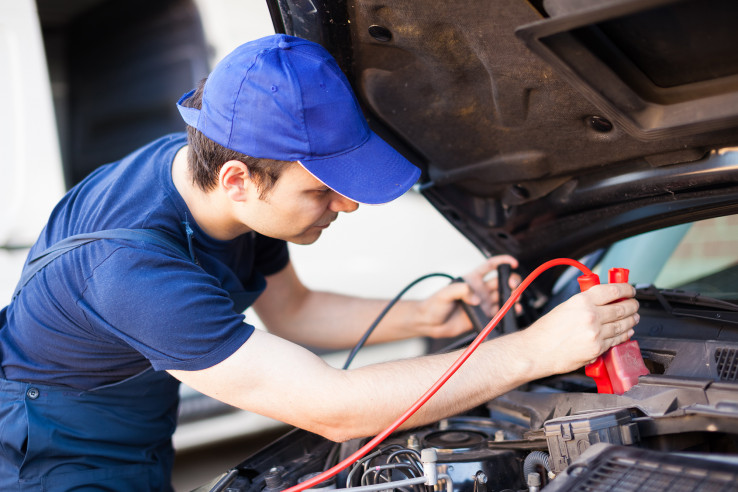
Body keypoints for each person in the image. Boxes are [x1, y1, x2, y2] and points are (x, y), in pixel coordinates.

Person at [0, 34, 639, 490]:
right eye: (322, 190)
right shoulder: (129, 271)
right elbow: (330, 407)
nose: (347, 206)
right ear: (237, 179)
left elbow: (293, 311)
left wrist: (428, 316)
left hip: (133, 430)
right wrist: (535, 351)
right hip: (50, 457)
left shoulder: (227, 181)